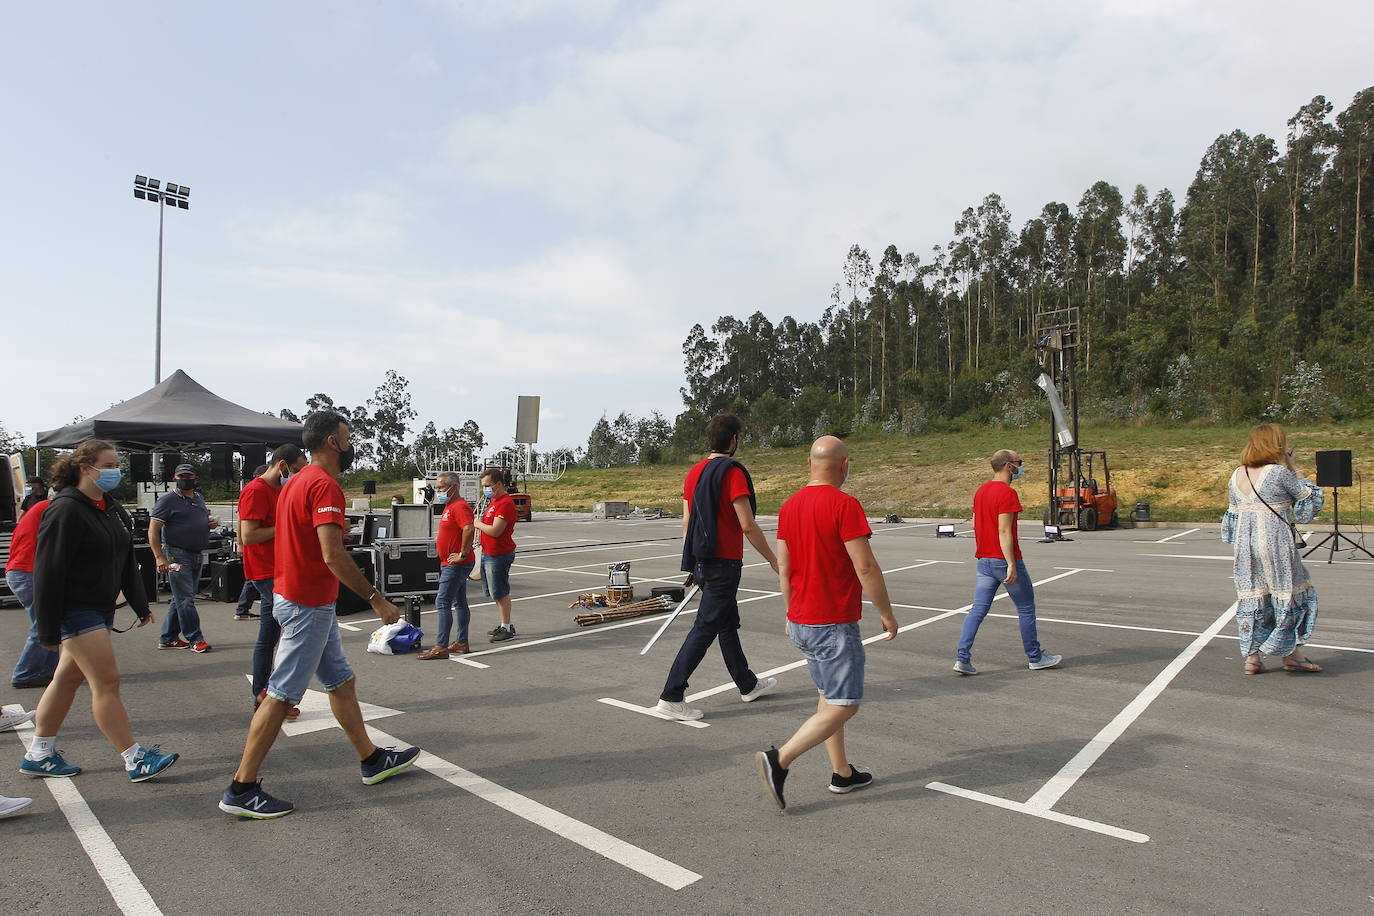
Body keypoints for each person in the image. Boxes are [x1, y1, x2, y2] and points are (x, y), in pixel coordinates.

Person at [219, 411, 420, 819]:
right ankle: (241, 787)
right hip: (306, 603)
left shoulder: (296, 482)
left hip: (303, 599)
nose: (350, 444)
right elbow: (332, 553)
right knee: (279, 695)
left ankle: (371, 759)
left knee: (341, 682)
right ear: (333, 441)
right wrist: (376, 599)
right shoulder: (324, 485)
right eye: (347, 436)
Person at [20, 439, 178, 782]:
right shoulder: (65, 510)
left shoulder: (109, 507)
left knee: (66, 678)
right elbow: (48, 572)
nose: (114, 471)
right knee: (107, 681)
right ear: (84, 468)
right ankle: (134, 758)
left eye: (115, 464)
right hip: (76, 610)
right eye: (107, 465)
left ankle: (39, 753)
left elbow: (125, 558)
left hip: (97, 607)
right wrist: (47, 629)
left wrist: (139, 604)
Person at [755, 437, 899, 810]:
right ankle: (780, 759)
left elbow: (784, 567)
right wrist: (886, 612)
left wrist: (790, 611)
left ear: (810, 464)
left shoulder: (789, 507)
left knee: (829, 696)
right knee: (845, 704)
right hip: (832, 622)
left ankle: (842, 773)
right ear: (844, 465)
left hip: (802, 620)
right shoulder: (845, 505)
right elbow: (865, 566)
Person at [656, 412, 779, 721]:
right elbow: (747, 525)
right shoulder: (732, 473)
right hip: (724, 563)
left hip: (702, 560)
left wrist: (694, 564)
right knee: (707, 626)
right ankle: (672, 695)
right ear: (734, 440)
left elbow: (687, 522)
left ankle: (747, 684)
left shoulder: (693, 473)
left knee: (726, 622)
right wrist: (774, 560)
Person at [1221, 423, 1325, 674]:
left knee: (1254, 596)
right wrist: (1295, 467)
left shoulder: (1237, 474)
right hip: (1275, 544)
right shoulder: (1278, 473)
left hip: (1246, 548)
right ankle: (1291, 655)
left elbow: (1232, 517)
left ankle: (1253, 658)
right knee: (1287, 594)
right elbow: (1308, 499)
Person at [952, 449, 1062, 675]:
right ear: (1008, 466)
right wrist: (1011, 563)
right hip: (1003, 560)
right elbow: (1004, 530)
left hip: (984, 560)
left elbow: (976, 523)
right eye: (1018, 463)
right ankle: (1035, 656)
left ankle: (962, 657)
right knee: (1026, 608)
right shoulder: (1006, 494)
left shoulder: (981, 491)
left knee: (978, 610)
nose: (1020, 467)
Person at [238, 447, 308, 718]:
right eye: (297, 469)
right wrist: (288, 527)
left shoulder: (278, 490)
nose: (299, 475)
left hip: (278, 568)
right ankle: (273, 696)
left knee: (269, 636)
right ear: (282, 466)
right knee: (291, 632)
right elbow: (249, 536)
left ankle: (262, 696)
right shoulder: (255, 491)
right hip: (265, 572)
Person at [149, 463, 217, 653]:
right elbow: (153, 529)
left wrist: (208, 524)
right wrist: (159, 557)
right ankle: (195, 638)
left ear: (196, 478)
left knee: (181, 598)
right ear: (175, 479)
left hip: (196, 554)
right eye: (181, 476)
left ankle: (168, 637)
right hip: (176, 553)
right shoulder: (167, 501)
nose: (185, 479)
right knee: (186, 599)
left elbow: (195, 520)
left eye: (188, 476)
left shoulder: (198, 498)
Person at [417, 472, 476, 659]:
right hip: (450, 563)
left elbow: (469, 528)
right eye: (437, 487)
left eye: (441, 487)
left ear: (454, 487)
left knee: (442, 602)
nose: (438, 491)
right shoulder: (450, 506)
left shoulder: (459, 506)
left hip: (456, 564)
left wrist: (462, 553)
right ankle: (461, 642)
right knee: (459, 602)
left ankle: (441, 646)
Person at [7, 484, 60, 689]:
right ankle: (25, 673)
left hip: (23, 570)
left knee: (48, 623)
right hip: (29, 572)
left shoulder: (41, 508)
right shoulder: (52, 509)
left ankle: (46, 672)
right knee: (44, 624)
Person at [476, 468, 519, 642]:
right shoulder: (493, 502)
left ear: (499, 484)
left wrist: (477, 524)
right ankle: (504, 624)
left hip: (499, 554)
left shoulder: (505, 503)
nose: (485, 489)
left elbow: (495, 531)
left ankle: (506, 627)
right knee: (495, 592)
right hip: (489, 552)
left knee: (500, 591)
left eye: (488, 485)